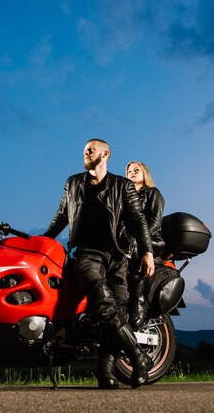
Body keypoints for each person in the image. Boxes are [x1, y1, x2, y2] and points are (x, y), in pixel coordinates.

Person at [44, 139, 155, 389]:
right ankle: (138, 357)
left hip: (117, 256)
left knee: (119, 311)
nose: (85, 151)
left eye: (91, 148)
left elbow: (138, 221)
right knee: (103, 302)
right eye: (84, 148)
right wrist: (39, 242)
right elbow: (60, 217)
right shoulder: (73, 183)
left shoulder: (122, 185)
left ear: (106, 154)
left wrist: (147, 252)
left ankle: (105, 375)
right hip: (87, 254)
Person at [125, 161, 166, 330]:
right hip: (128, 240)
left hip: (151, 240)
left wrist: (138, 238)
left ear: (145, 174)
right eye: (129, 171)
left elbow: (155, 222)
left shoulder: (153, 193)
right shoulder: (124, 196)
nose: (132, 173)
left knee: (132, 251)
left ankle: (138, 305)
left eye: (136, 170)